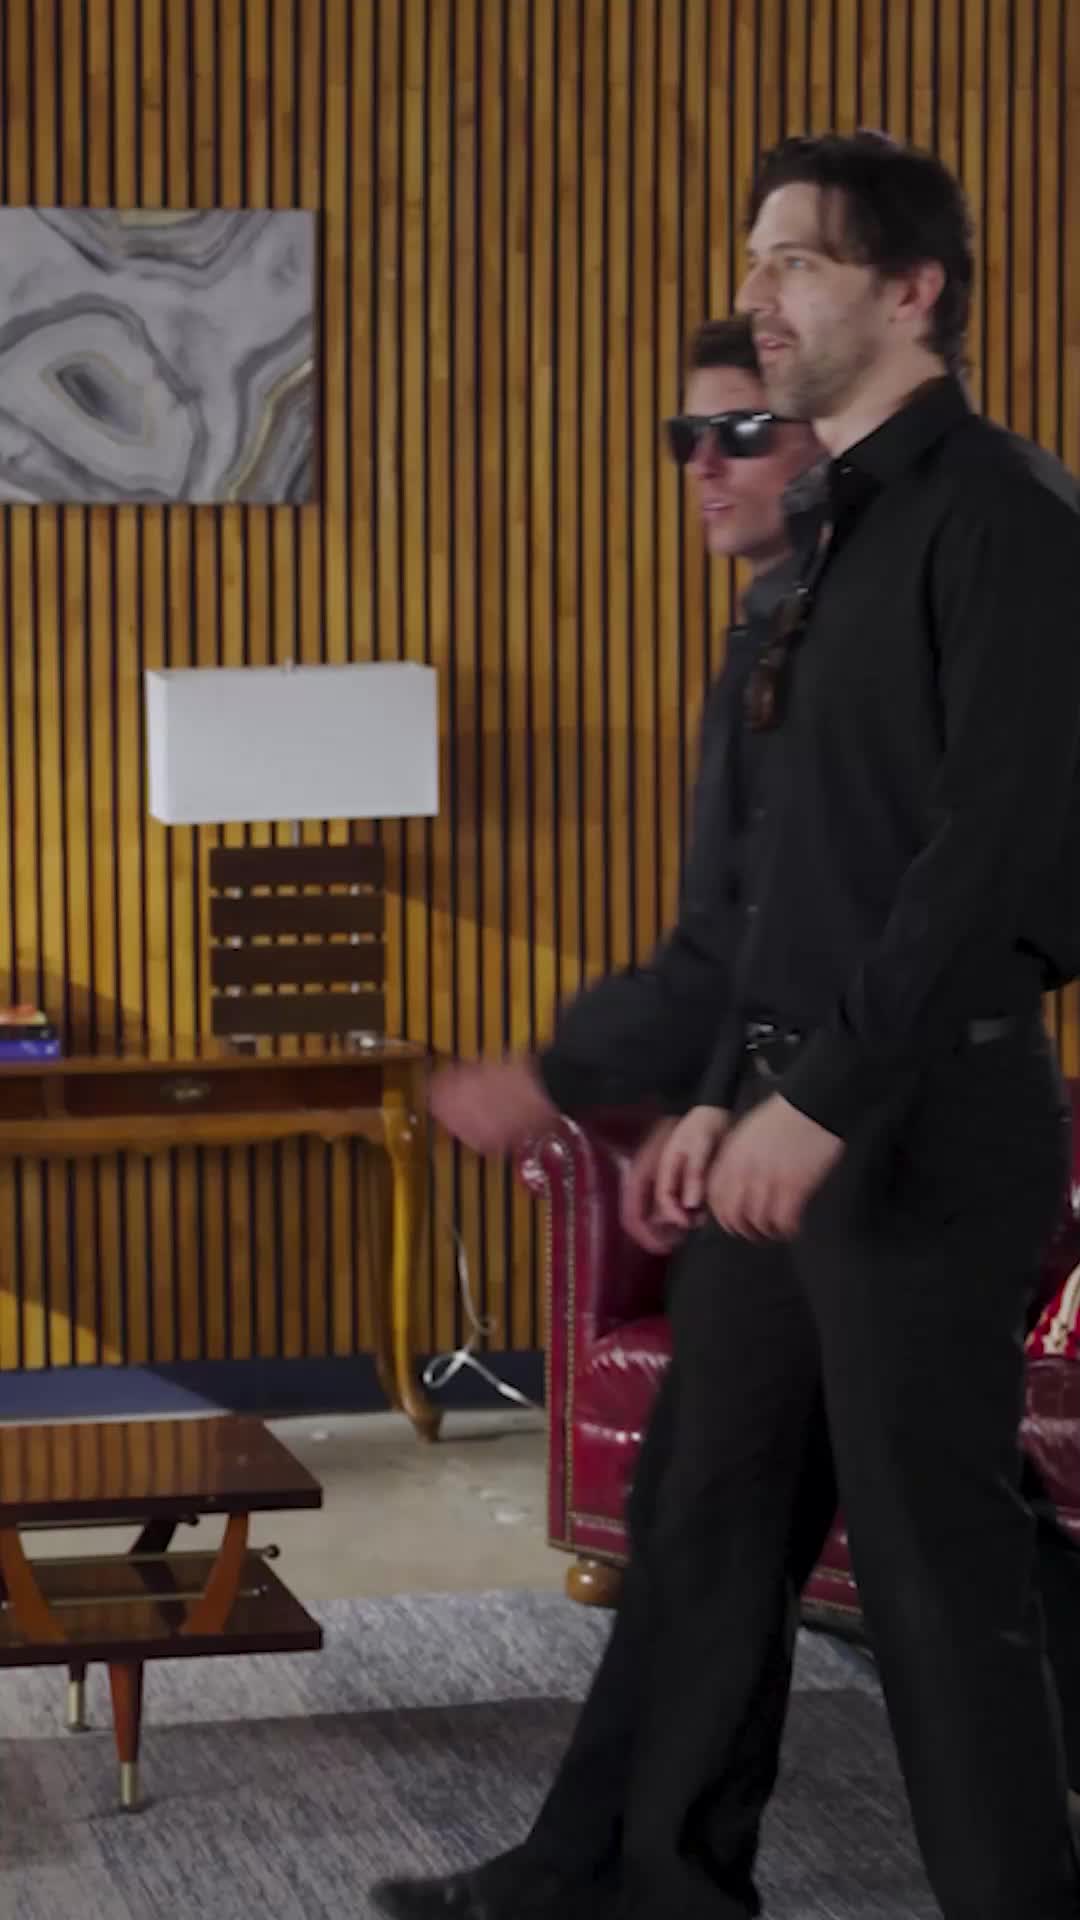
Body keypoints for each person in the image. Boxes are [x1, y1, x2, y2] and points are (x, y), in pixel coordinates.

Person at [373, 130, 1080, 1920]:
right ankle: (650, 1887)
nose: (756, 296)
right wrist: (722, 1088)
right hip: (783, 1124)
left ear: (912, 291)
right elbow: (789, 896)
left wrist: (817, 1095)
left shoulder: (1008, 517)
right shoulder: (824, 550)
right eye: (755, 260)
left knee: (936, 1588)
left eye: (795, 262)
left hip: (918, 1134)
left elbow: (994, 866)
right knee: (705, 1518)